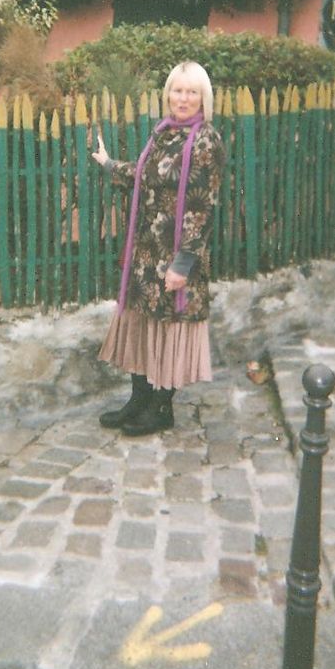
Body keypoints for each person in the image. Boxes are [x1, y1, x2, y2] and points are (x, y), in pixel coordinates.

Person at [91, 61, 225, 436]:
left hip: (176, 254)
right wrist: (109, 164)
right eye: (177, 90)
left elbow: (202, 206)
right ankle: (139, 400)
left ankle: (161, 408)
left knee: (168, 329)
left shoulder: (205, 141)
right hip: (147, 251)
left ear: (203, 98)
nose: (183, 98)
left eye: (191, 92)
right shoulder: (165, 133)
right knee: (143, 324)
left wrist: (183, 265)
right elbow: (147, 175)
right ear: (168, 94)